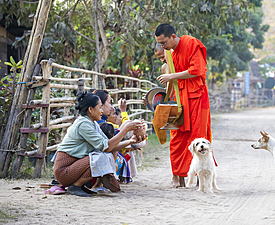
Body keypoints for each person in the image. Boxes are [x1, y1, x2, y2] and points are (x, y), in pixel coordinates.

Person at [53, 92, 145, 197]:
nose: (102, 111)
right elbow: (106, 147)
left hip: (74, 168)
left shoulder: (92, 124)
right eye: (100, 107)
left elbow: (110, 146)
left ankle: (79, 186)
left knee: (105, 156)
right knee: (102, 157)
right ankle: (75, 186)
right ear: (90, 109)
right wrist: (125, 130)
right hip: (64, 172)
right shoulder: (83, 124)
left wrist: (130, 141)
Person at [154, 23, 212, 188]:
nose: (162, 46)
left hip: (197, 96)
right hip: (180, 99)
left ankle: (201, 178)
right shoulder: (169, 53)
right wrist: (160, 97)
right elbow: (171, 83)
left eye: (164, 42)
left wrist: (172, 76)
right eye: (160, 44)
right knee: (177, 138)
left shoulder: (191, 43)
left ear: (173, 36)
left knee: (199, 136)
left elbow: (197, 70)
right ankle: (178, 178)